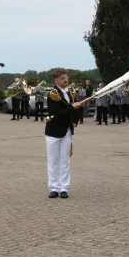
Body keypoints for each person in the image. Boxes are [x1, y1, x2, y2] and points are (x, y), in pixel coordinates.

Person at [45, 69, 82, 199]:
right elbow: (57, 112)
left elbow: (74, 111)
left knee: (65, 160)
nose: (65, 80)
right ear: (56, 80)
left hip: (67, 130)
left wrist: (76, 112)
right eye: (62, 78)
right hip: (54, 131)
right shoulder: (53, 94)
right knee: (53, 160)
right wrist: (73, 108)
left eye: (66, 78)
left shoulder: (71, 93)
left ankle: (64, 188)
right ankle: (54, 188)